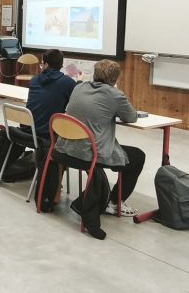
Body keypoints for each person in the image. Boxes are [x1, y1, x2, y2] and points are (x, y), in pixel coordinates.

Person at [51, 59, 146, 240]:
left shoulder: (79, 87)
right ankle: (114, 202)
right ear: (115, 79)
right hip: (89, 154)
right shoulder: (115, 95)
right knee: (138, 156)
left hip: (64, 148)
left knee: (120, 152)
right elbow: (131, 117)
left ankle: (109, 200)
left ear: (94, 74)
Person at [0, 49, 77, 190]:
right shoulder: (69, 83)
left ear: (46, 64)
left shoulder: (34, 80)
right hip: (46, 136)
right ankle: (56, 184)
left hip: (26, 131)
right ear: (61, 65)